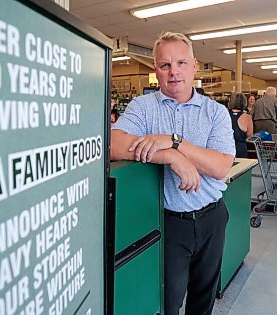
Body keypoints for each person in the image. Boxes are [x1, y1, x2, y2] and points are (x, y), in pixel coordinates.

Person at [111, 32, 235, 315]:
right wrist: (170, 156)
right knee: (168, 302)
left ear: (194, 66)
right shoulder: (143, 108)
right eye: (165, 65)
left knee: (203, 298)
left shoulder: (215, 112)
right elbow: (113, 144)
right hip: (168, 223)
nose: (174, 71)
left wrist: (174, 140)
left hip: (212, 217)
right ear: (156, 70)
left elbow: (221, 166)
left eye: (180, 62)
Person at [228, 92, 253, 158]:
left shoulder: (224, 115)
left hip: (226, 148)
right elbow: (249, 135)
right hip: (240, 149)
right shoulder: (247, 117)